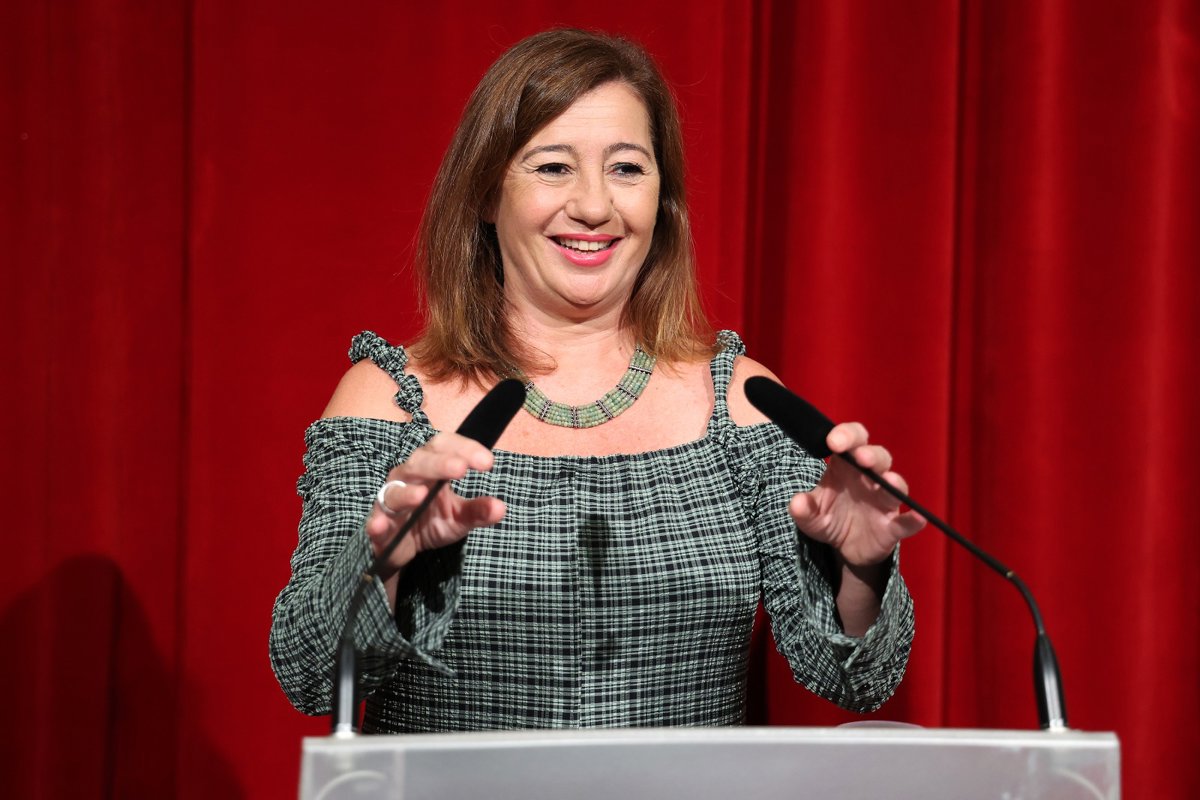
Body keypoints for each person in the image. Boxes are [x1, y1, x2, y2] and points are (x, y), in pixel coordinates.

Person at [270, 28, 923, 732]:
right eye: (553, 167)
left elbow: (856, 680)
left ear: (662, 200)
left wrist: (860, 570)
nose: (593, 206)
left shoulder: (742, 402)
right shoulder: (389, 400)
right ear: (486, 193)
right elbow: (310, 675)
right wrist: (384, 558)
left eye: (626, 168)